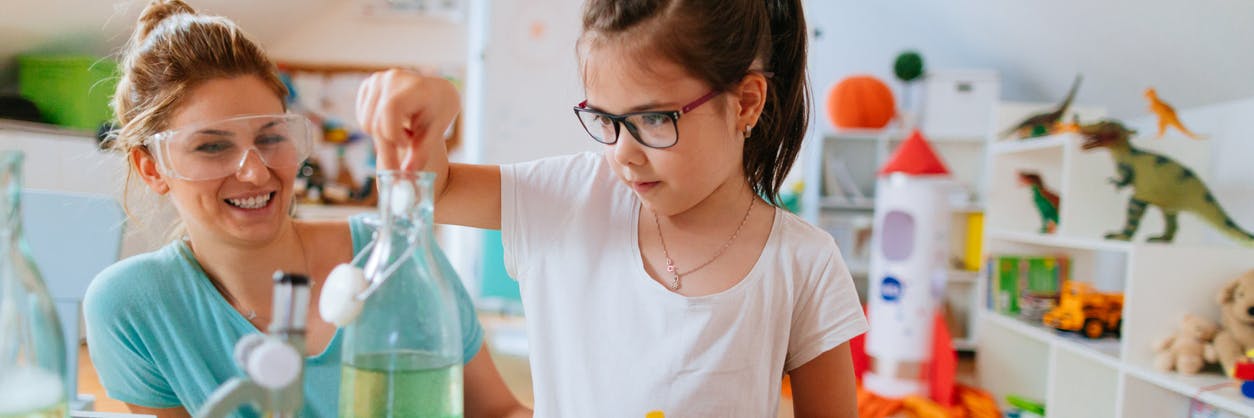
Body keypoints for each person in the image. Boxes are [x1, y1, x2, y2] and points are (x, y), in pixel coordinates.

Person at [356, 0, 868, 416]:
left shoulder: (803, 263)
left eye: (652, 120)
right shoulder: (566, 200)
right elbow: (430, 190)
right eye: (605, 119)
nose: (623, 152)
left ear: (747, 103)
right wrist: (437, 104)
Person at [82, 1, 530, 417]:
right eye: (212, 146)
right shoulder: (134, 307)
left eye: (271, 137)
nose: (255, 173)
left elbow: (501, 411)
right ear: (151, 168)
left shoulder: (395, 261)